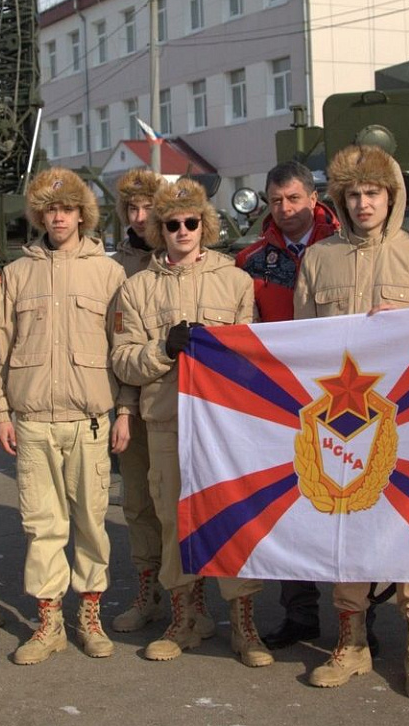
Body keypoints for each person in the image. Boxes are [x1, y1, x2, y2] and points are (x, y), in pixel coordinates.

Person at [291, 145, 409, 698]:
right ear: (339, 200)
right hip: (339, 428)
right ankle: (352, 642)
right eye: (354, 195)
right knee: (345, 532)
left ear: (392, 196)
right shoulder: (318, 260)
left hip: (406, 423)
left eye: (374, 193)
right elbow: (302, 345)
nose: (364, 204)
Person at [111, 178, 262, 664]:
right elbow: (123, 361)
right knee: (173, 520)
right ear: (159, 228)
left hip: (223, 425)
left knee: (233, 517)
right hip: (166, 420)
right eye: (172, 223)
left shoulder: (236, 281)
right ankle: (184, 617)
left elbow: (255, 356)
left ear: (205, 224)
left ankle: (243, 622)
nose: (182, 230)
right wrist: (163, 349)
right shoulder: (136, 289)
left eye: (191, 222)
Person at [0, 169, 131, 664]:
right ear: (39, 215)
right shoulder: (18, 273)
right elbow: (0, 349)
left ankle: (89, 617)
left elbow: (122, 347)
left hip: (89, 418)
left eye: (67, 208)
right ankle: (49, 622)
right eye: (49, 209)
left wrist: (125, 410)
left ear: (83, 213)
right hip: (33, 419)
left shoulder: (108, 273)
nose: (59, 216)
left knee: (90, 523)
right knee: (42, 525)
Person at [236, 160, 342, 651]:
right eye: (276, 201)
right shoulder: (252, 261)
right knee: (292, 507)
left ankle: (354, 620)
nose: (285, 209)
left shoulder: (345, 249)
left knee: (351, 505)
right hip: (285, 401)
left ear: (314, 198)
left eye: (294, 199)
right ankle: (299, 613)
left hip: (347, 397)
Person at [108, 168, 168, 635]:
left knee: (187, 499)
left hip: (182, 403)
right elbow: (118, 345)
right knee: (139, 504)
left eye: (147, 207)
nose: (140, 216)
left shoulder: (187, 253)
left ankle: (193, 596)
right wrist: (123, 410)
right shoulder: (117, 267)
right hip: (132, 395)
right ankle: (147, 591)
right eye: (131, 208)